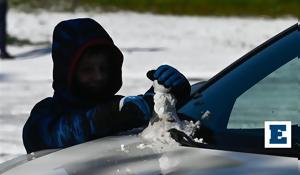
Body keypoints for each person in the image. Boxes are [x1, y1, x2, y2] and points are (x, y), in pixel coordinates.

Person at [22, 18, 191, 153]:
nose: (99, 76)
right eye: (87, 70)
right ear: (68, 73)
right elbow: (40, 137)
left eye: (104, 68)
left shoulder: (117, 107)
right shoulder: (48, 113)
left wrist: (168, 91)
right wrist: (101, 119)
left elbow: (150, 112)